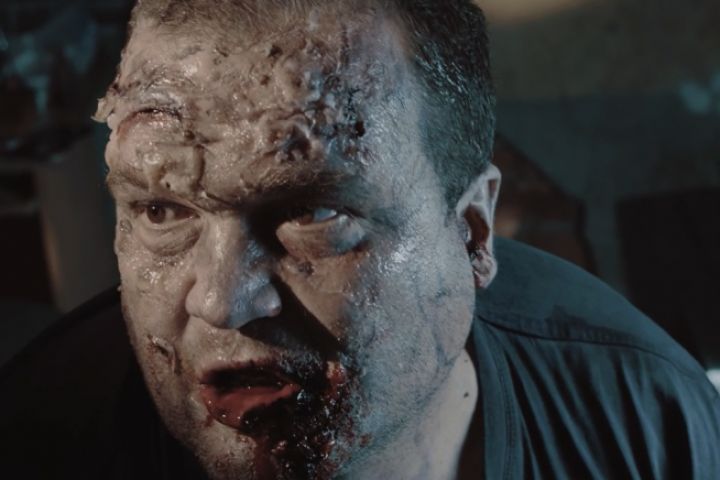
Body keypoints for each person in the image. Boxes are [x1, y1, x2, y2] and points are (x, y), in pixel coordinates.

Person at [1, 1, 719, 479]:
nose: (221, 300)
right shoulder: (40, 438)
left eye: (313, 214)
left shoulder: (641, 419)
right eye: (161, 211)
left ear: (472, 232)